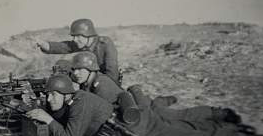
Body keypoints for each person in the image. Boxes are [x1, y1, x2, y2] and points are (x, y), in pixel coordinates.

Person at [26, 75, 263, 136]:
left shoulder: (80, 104)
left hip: (137, 129)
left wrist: (47, 120)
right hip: (134, 122)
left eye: (52, 95)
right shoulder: (75, 98)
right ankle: (226, 124)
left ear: (66, 93)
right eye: (47, 96)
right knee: (182, 125)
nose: (49, 100)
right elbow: (60, 112)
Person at [71, 51, 242, 125]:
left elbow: (106, 110)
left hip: (137, 109)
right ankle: (166, 99)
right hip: (137, 102)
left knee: (176, 117)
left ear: (91, 69)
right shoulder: (90, 82)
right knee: (157, 106)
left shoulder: (100, 85)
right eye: (75, 69)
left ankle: (219, 113)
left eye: (80, 69)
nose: (76, 73)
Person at [36, 18, 121, 84]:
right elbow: (63, 46)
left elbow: (112, 70)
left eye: (78, 36)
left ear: (88, 35)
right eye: (73, 36)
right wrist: (43, 44)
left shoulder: (105, 44)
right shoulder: (82, 43)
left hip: (105, 82)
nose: (75, 40)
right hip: (89, 80)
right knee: (62, 65)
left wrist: (106, 89)